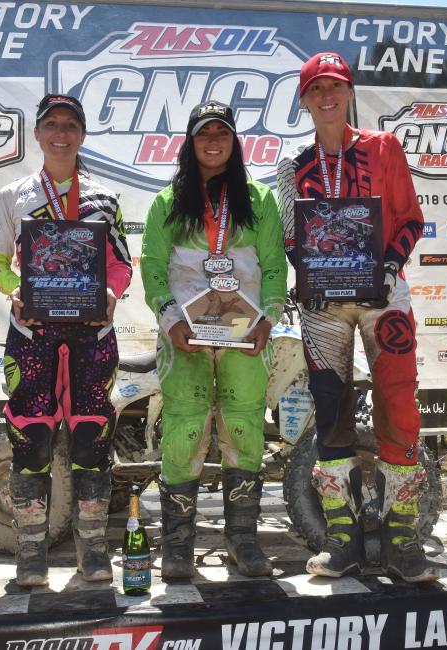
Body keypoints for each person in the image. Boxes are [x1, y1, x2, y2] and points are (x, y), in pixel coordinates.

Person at [277, 52, 437, 583]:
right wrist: (311, 273)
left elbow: (411, 218)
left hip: (384, 296)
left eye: (336, 87)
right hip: (322, 304)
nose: (327, 96)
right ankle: (341, 539)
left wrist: (389, 265)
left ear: (349, 93)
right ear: (304, 100)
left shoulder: (383, 147)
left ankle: (403, 538)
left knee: (399, 403)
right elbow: (287, 236)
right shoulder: (292, 164)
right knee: (330, 409)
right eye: (316, 89)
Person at [0, 94, 132, 587]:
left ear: (82, 135)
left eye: (70, 125)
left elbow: (121, 263)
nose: (61, 133)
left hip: (93, 335)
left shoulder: (104, 199)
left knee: (93, 439)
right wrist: (15, 291)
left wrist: (111, 292)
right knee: (32, 439)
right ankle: (31, 554)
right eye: (51, 125)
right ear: (38, 134)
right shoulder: (12, 196)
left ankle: (93, 551)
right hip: (33, 335)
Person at [142, 101, 287, 579]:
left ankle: (242, 541)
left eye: (222, 132)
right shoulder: (168, 201)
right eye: (204, 132)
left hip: (245, 335)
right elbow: (153, 269)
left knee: (243, 429)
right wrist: (170, 321)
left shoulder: (259, 198)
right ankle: (179, 546)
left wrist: (268, 318)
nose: (213, 140)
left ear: (234, 140)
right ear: (190, 141)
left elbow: (272, 266)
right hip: (186, 336)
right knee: (184, 431)